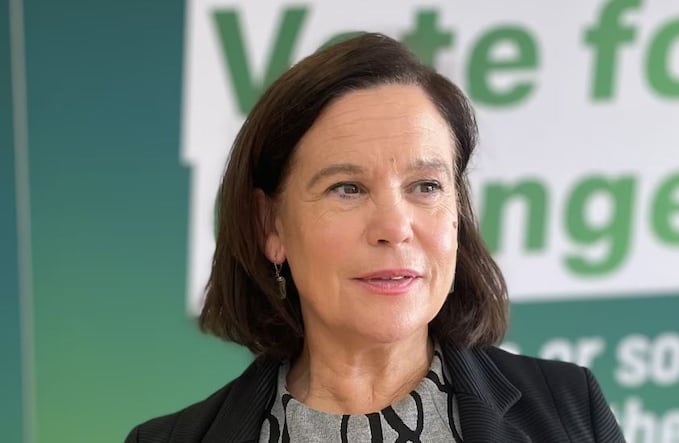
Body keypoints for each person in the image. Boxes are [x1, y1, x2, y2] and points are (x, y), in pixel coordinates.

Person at [126, 33, 625, 442]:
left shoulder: (567, 411)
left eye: (426, 186)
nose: (394, 227)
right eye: (347, 188)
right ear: (270, 227)